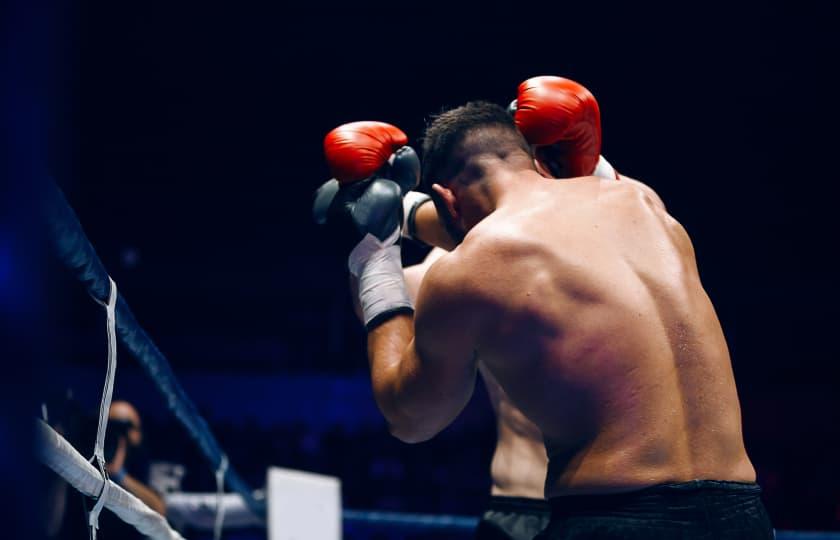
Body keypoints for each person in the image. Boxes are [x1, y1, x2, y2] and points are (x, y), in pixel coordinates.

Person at [317, 100, 773, 538]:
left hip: (616, 515)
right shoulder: (642, 202)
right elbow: (534, 220)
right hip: (743, 513)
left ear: (446, 200)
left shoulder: (473, 267)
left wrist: (374, 254)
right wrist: (407, 212)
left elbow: (413, 418)